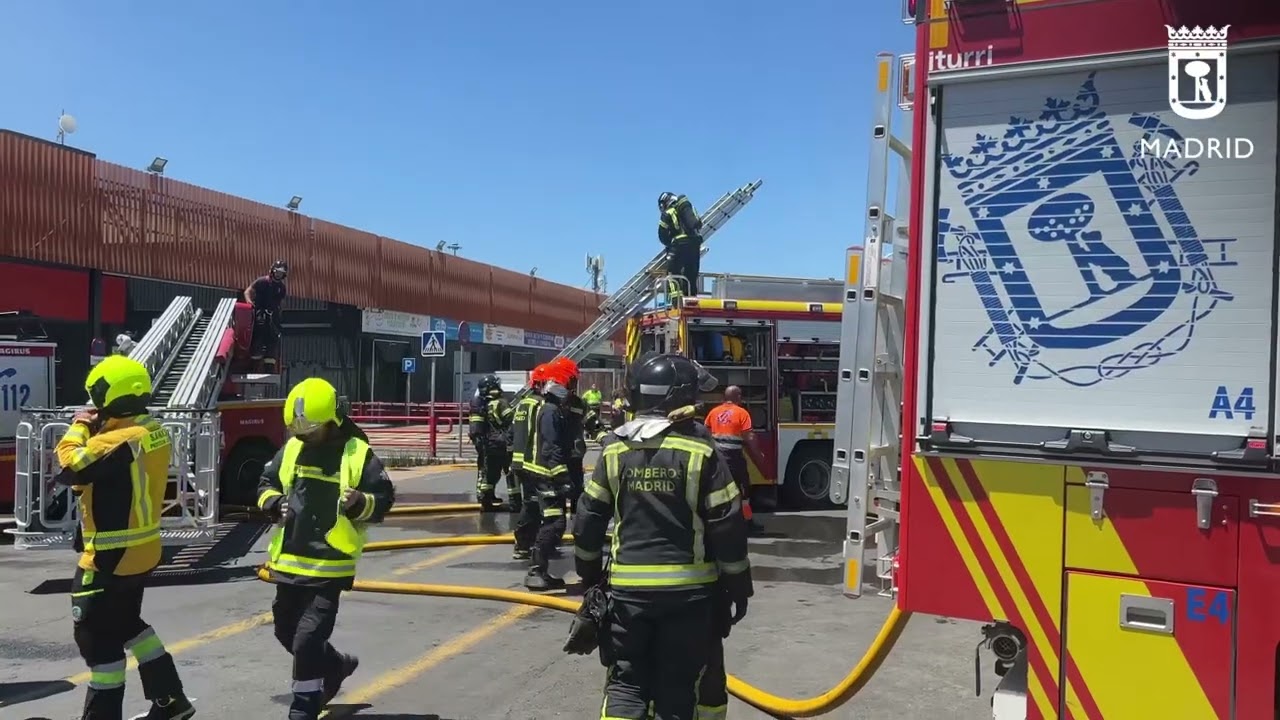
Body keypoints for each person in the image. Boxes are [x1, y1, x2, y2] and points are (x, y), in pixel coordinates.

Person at [574, 353, 752, 720]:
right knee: (678, 687)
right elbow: (727, 523)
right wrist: (738, 586)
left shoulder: (615, 449)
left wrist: (589, 577)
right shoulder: (701, 451)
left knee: (626, 683)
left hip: (627, 595)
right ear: (681, 397)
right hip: (689, 595)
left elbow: (589, 517)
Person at [54, 355, 195, 720]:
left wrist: (80, 425)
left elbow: (70, 465)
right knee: (127, 623)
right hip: (142, 552)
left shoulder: (118, 440)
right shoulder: (151, 429)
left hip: (109, 556)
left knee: (95, 638)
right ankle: (171, 700)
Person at [256, 377, 396, 720]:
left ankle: (304, 707)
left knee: (307, 638)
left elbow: (384, 498)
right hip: (290, 564)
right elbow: (266, 483)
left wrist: (361, 502)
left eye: (310, 431)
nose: (302, 437)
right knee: (285, 631)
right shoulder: (293, 449)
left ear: (332, 422)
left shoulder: (357, 453)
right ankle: (334, 666)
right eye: (297, 431)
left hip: (330, 567)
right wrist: (272, 502)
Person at [523, 360, 576, 591]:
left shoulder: (552, 408)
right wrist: (562, 479)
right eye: (570, 383)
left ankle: (540, 571)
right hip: (546, 475)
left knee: (554, 522)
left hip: (545, 473)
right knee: (554, 523)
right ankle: (535, 572)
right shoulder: (550, 411)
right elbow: (551, 448)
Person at [706, 386, 764, 534]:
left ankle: (718, 521)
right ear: (738, 397)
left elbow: (706, 433)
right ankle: (747, 523)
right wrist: (758, 455)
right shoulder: (742, 413)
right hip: (734, 458)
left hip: (717, 458)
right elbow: (749, 437)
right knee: (743, 491)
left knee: (719, 490)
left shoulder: (713, 412)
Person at [509, 364, 549, 560]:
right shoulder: (540, 405)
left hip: (519, 461)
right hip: (532, 462)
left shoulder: (523, 404)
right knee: (534, 504)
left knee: (531, 502)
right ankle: (524, 543)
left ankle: (527, 543)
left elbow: (512, 431)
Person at [552, 358, 588, 516]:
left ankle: (576, 517)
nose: (574, 383)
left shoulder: (578, 402)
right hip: (557, 453)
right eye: (572, 379)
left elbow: (591, 422)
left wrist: (605, 439)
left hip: (574, 453)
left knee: (577, 487)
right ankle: (556, 520)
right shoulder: (550, 404)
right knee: (557, 487)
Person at [469, 374, 509, 511]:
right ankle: (482, 495)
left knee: (492, 471)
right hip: (485, 441)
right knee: (485, 470)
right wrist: (479, 440)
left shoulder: (487, 401)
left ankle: (489, 495)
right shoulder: (480, 402)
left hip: (488, 440)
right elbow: (477, 424)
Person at [657, 192, 704, 301]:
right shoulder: (689, 209)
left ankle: (676, 300)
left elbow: (662, 235)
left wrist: (670, 244)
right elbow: (698, 224)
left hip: (679, 245)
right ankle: (691, 298)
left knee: (672, 273)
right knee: (691, 273)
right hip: (695, 244)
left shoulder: (668, 213)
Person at [245, 260, 289, 371]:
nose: (278, 274)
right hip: (260, 313)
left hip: (273, 316)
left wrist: (279, 313)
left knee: (273, 338)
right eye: (277, 272)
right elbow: (248, 291)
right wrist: (249, 302)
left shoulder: (281, 288)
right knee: (258, 333)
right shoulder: (262, 281)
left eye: (281, 273)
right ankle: (253, 362)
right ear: (272, 271)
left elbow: (281, 302)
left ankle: (269, 366)